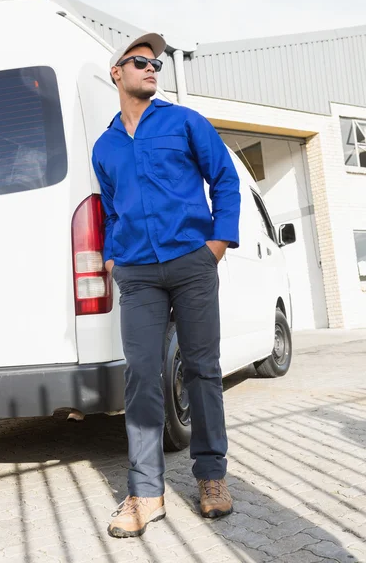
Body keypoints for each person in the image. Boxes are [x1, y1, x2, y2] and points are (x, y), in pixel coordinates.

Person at [92, 33, 241, 539]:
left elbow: (223, 178)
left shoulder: (183, 121)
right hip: (136, 273)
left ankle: (212, 477)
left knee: (201, 369)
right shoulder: (105, 146)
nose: (151, 67)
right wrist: (113, 257)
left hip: (191, 262)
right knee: (141, 375)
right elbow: (111, 210)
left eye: (155, 62)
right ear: (118, 73)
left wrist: (217, 243)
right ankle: (146, 492)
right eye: (140, 61)